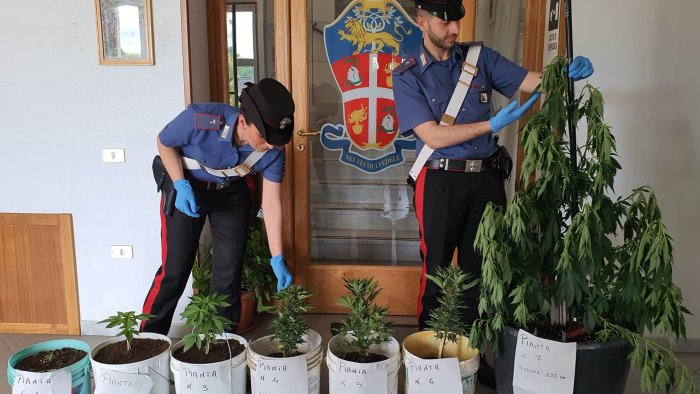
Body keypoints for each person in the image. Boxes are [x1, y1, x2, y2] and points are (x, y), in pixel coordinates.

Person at [392, 0, 593, 383]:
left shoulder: (480, 58)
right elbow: (432, 135)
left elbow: (530, 80)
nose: (454, 29)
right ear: (422, 21)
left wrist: (564, 72)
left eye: (458, 21)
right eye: (445, 20)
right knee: (434, 271)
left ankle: (471, 357)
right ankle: (430, 362)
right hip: (439, 180)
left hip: (485, 180)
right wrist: (491, 124)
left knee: (479, 272)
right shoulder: (407, 75)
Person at [141, 78, 296, 335]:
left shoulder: (274, 150)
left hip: (231, 195)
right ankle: (148, 340)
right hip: (188, 189)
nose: (271, 146)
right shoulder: (201, 119)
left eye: (277, 140)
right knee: (175, 271)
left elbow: (271, 203)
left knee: (228, 273)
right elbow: (164, 142)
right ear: (244, 122)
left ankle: (221, 345)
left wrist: (277, 257)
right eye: (265, 137)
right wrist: (179, 184)